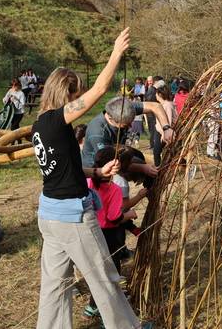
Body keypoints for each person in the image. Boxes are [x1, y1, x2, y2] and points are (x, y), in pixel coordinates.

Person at [31, 27, 145, 329]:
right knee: (103, 276)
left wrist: (96, 172)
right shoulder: (56, 121)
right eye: (75, 94)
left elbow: (61, 168)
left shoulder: (40, 125)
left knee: (55, 285)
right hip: (71, 217)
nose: (79, 98)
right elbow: (98, 92)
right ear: (66, 93)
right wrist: (116, 53)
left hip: (50, 215)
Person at [82, 146, 138, 319]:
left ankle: (92, 307)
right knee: (111, 270)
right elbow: (113, 218)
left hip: (90, 232)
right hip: (109, 236)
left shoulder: (88, 182)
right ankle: (109, 307)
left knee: (97, 270)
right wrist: (129, 214)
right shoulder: (113, 190)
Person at [81, 96, 173, 169]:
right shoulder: (98, 132)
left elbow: (155, 106)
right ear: (110, 118)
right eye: (125, 125)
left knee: (139, 157)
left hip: (116, 155)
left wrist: (166, 128)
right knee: (122, 184)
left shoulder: (125, 108)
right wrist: (143, 168)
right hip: (97, 169)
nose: (130, 127)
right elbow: (110, 163)